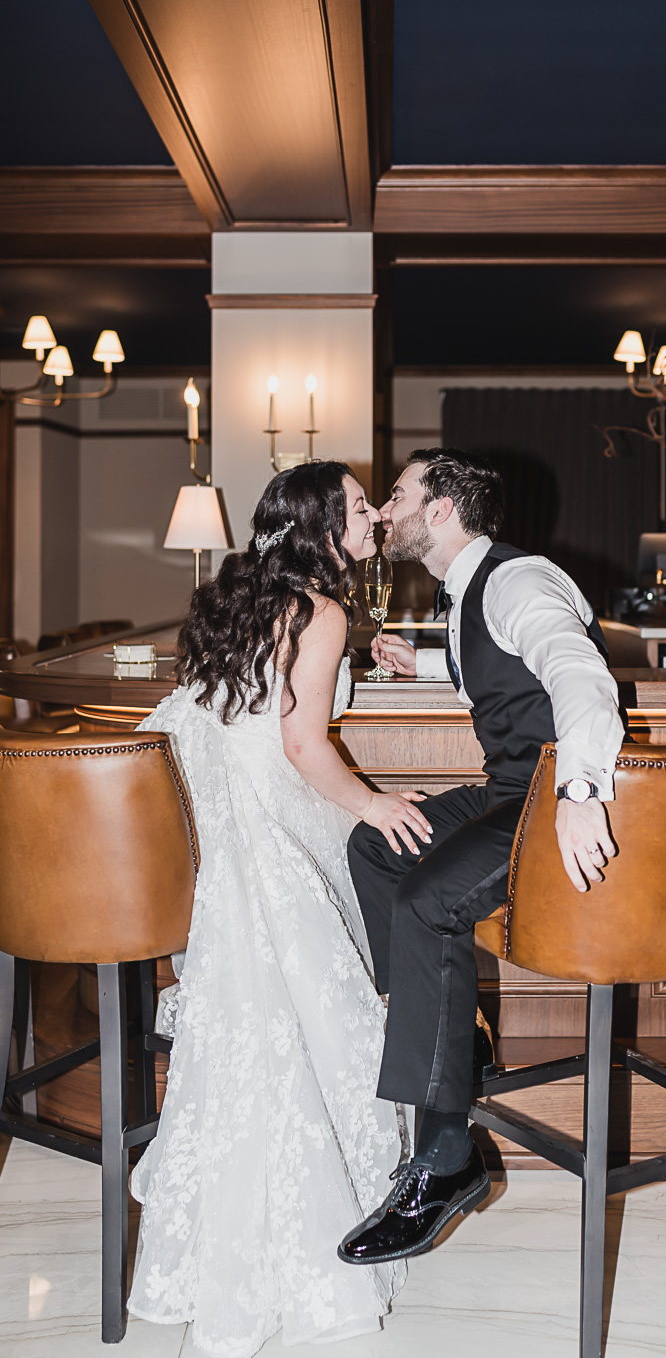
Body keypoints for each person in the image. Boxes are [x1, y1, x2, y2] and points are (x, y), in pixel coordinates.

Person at [128, 462, 433, 1357]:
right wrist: (373, 804)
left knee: (258, 1030)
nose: (375, 514)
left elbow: (250, 708)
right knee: (315, 1020)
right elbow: (302, 744)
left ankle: (212, 1250)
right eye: (360, 505)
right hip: (281, 824)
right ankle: (317, 1239)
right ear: (325, 528)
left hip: (231, 836)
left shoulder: (251, 602)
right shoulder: (323, 611)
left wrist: (362, 651)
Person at [338, 448, 626, 1267]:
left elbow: (578, 675)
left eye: (396, 495)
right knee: (378, 843)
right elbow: (501, 671)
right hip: (507, 790)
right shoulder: (471, 591)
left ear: (440, 510)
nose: (385, 510)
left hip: (543, 797)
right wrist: (426, 662)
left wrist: (580, 794)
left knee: (426, 902)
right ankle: (455, 1043)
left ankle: (444, 1159)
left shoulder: (516, 579)